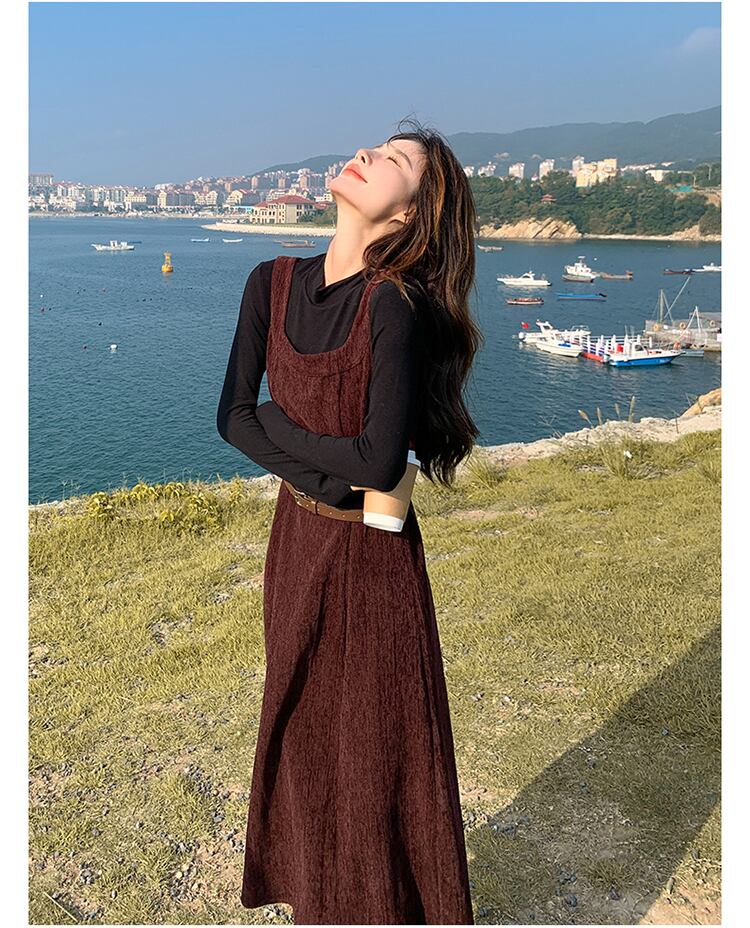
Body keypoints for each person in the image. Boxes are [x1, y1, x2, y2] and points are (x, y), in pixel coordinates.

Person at [217, 116, 483, 925]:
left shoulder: (393, 306)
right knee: (301, 731)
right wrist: (330, 482)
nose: (369, 153)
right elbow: (231, 417)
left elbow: (378, 461)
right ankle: (318, 904)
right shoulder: (269, 281)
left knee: (376, 755)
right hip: (297, 542)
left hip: (374, 563)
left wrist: (283, 430)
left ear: (409, 215)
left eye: (397, 160)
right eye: (379, 145)